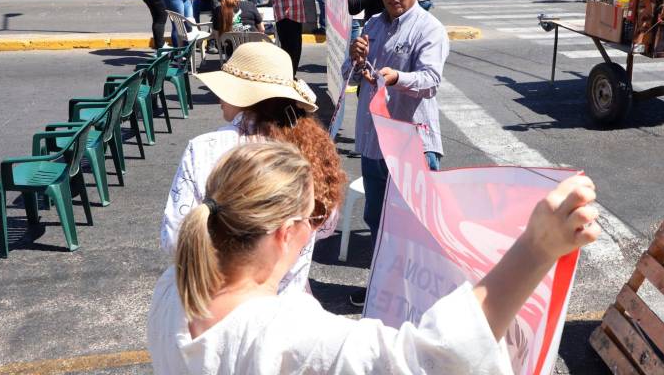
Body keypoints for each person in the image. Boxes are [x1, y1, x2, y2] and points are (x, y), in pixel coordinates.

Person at [148, 135, 601, 374]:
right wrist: (535, 248)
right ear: (285, 233)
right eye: (314, 217)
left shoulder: (174, 288)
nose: (318, 228)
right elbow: (433, 360)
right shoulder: (289, 337)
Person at [159, 42, 345, 296]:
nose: (218, 96)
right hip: (288, 306)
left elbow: (175, 237)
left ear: (244, 94)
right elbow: (325, 226)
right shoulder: (314, 151)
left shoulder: (205, 149)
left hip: (219, 303)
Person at [343, 0, 447, 306]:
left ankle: (421, 296)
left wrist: (396, 77)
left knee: (416, 223)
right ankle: (384, 285)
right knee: (377, 219)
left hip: (412, 142)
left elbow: (431, 80)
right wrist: (355, 60)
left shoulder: (429, 28)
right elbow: (350, 75)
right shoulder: (371, 25)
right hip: (375, 141)